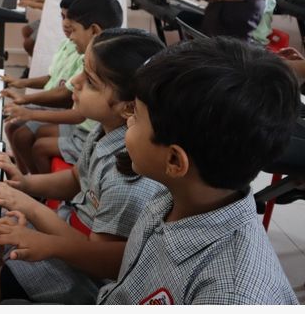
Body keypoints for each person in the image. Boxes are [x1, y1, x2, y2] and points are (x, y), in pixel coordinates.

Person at [97, 37, 299, 304]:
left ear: (174, 161)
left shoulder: (231, 296)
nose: (127, 119)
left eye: (136, 116)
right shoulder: (174, 197)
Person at [0, 28, 166, 304]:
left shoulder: (128, 177)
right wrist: (26, 183)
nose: (74, 82)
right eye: (82, 70)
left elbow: (96, 259)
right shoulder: (105, 130)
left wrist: (30, 207)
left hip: (80, 279)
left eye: (90, 81)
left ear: (128, 108)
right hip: (69, 231)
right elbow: (75, 179)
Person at [4, 0, 123, 174]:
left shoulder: (105, 67)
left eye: (74, 28)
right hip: (89, 132)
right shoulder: (92, 58)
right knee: (27, 134)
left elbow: (78, 114)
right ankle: (29, 181)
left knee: (34, 141)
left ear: (94, 30)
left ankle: (37, 191)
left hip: (87, 134)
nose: (69, 34)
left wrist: (29, 110)